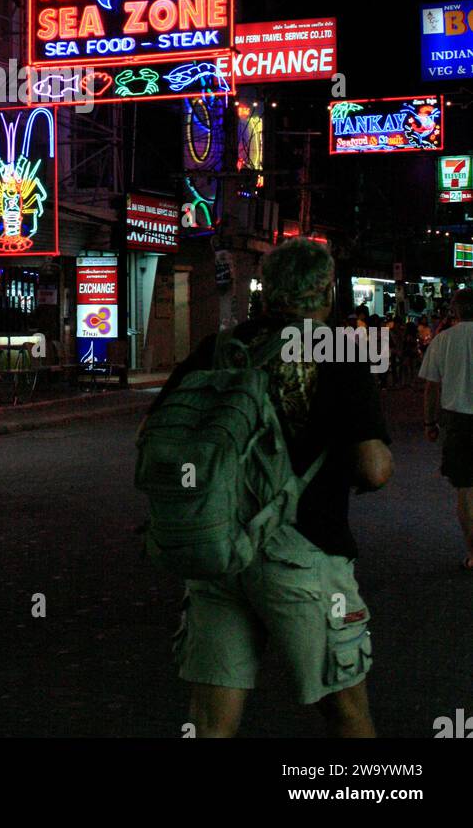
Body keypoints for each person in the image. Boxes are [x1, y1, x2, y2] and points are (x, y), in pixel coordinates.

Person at [147, 238, 393, 738]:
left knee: (211, 722)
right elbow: (373, 469)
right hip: (303, 552)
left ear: (268, 291)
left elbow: (154, 439)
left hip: (217, 547)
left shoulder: (217, 349)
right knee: (346, 711)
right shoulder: (338, 350)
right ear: (327, 291)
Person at [420, 289, 473, 571]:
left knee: (466, 488)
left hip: (458, 420)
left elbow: (431, 387)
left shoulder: (443, 341)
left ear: (455, 311)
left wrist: (430, 423)